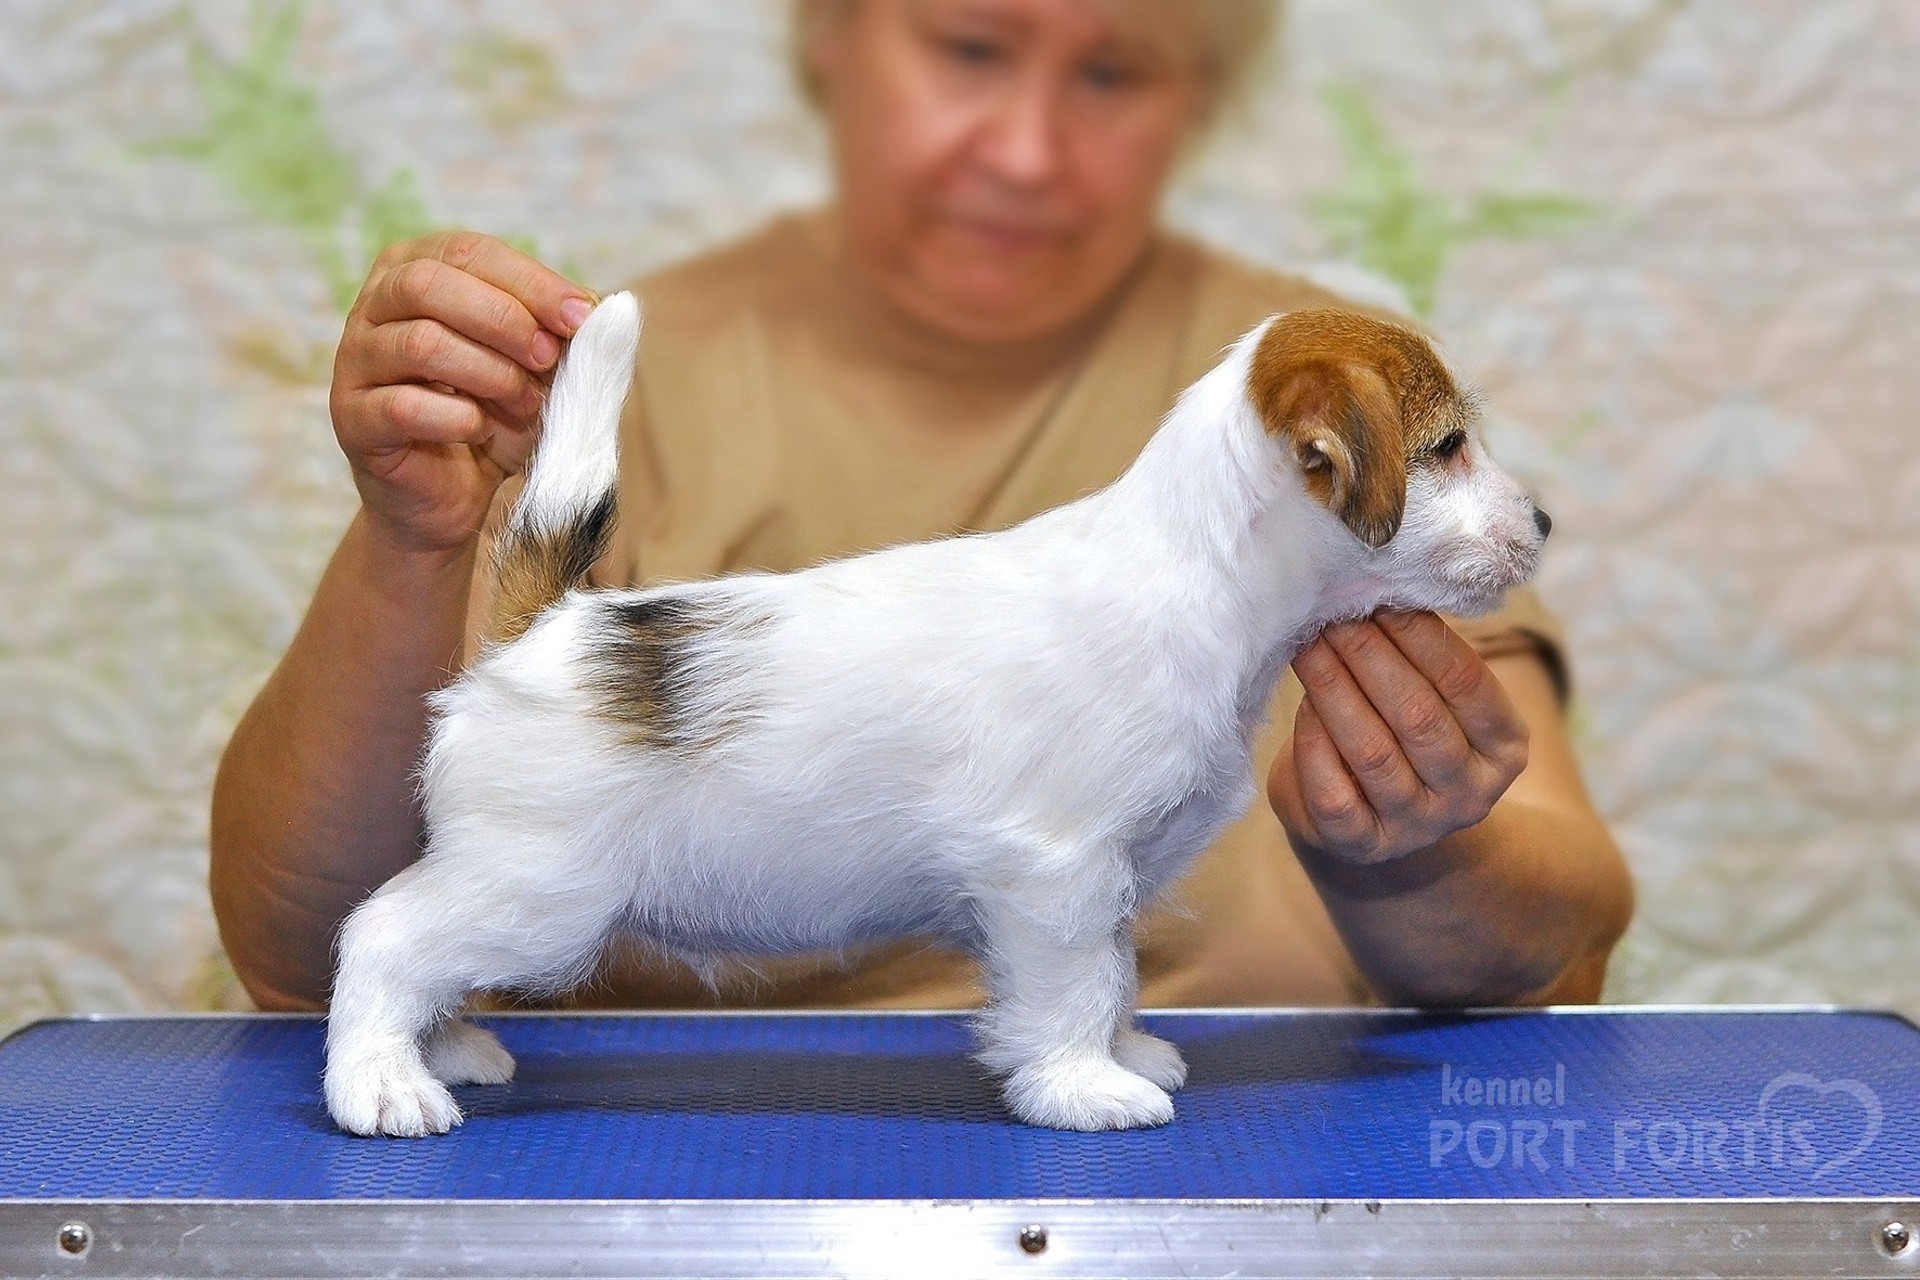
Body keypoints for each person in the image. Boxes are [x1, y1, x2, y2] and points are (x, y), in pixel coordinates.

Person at [210, 0, 1632, 1015]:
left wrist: (1420, 844)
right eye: (968, 46)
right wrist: (417, 538)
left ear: (1197, 97)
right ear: (827, 41)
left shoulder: (1306, 386)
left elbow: (1560, 951)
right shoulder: (573, 375)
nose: (1025, 145)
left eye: (1116, 69)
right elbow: (288, 957)